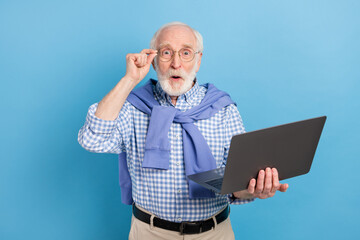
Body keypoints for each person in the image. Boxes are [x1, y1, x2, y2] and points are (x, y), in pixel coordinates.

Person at [78, 22, 289, 240]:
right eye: (166, 52)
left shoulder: (223, 109)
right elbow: (92, 139)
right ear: (154, 60)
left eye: (186, 53)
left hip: (214, 234)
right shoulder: (132, 108)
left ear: (198, 60)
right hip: (148, 233)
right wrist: (129, 79)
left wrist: (256, 188)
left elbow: (236, 185)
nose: (176, 63)